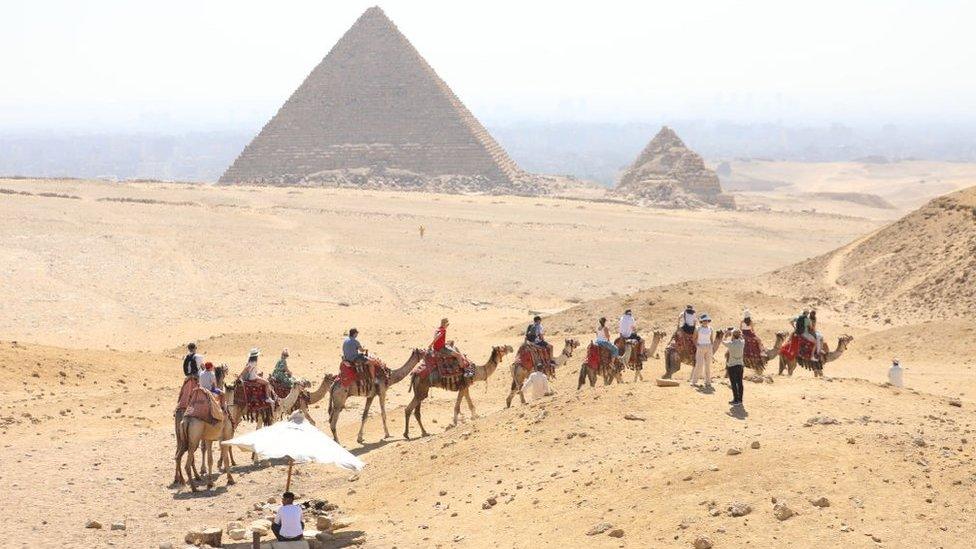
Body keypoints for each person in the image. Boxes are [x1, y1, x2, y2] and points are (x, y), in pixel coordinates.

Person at [689, 313, 715, 387]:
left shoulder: (711, 328)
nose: (705, 322)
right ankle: (694, 381)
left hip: (709, 347)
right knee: (699, 364)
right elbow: (694, 338)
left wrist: (711, 347)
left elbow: (711, 339)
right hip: (700, 347)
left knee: (708, 365)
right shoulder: (698, 328)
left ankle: (708, 381)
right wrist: (697, 346)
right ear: (701, 321)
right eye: (704, 320)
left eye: (706, 320)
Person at [722, 329, 745, 405]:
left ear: (733, 336)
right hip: (740, 365)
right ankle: (740, 400)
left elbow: (723, 341)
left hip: (732, 366)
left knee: (734, 383)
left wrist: (725, 335)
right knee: (740, 383)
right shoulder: (742, 343)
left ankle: (735, 399)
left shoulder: (730, 344)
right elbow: (742, 338)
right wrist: (738, 334)